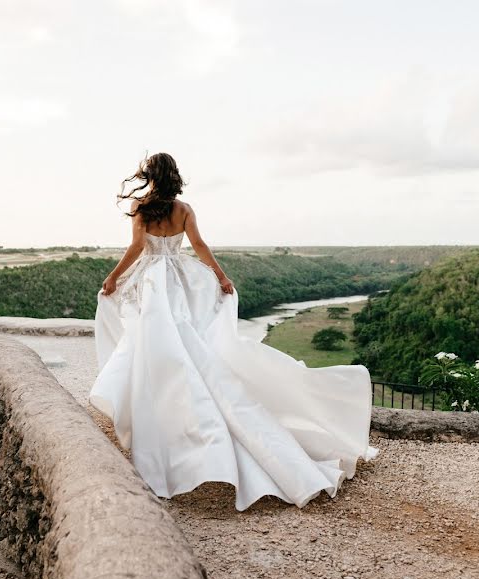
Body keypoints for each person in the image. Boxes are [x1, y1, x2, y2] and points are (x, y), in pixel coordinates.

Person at [89, 152, 378, 511]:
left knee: (152, 349)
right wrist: (221, 277)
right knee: (184, 343)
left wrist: (114, 277)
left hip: (152, 282)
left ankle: (159, 421)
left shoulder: (141, 208)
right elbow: (198, 247)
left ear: (149, 176)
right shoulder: (184, 210)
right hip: (177, 281)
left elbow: (136, 247)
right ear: (174, 176)